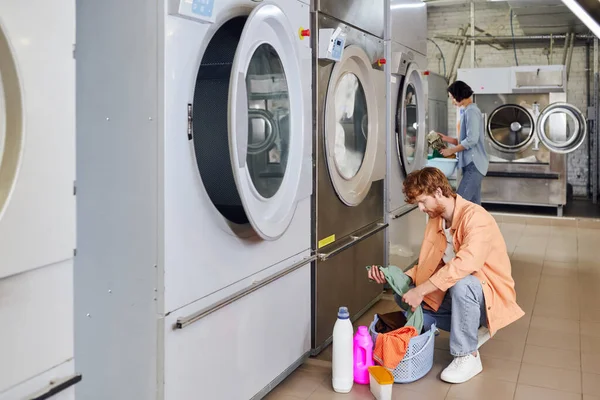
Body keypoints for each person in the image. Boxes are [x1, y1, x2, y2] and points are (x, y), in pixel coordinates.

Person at [368, 167, 523, 384]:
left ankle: (467, 356)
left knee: (463, 284)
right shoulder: (437, 220)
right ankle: (463, 329)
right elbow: (429, 264)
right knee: (401, 293)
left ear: (439, 192)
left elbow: (466, 264)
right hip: (456, 295)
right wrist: (394, 277)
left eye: (423, 202)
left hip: (486, 296)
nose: (421, 209)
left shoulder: (476, 218)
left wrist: (421, 290)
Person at [436, 81, 488, 205]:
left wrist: (451, 150)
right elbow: (465, 140)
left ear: (458, 95)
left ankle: (455, 225)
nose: (453, 101)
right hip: (472, 165)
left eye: (452, 97)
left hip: (474, 165)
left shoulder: (471, 111)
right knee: (473, 205)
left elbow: (472, 140)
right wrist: (446, 139)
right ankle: (477, 225)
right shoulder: (468, 111)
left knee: (459, 203)